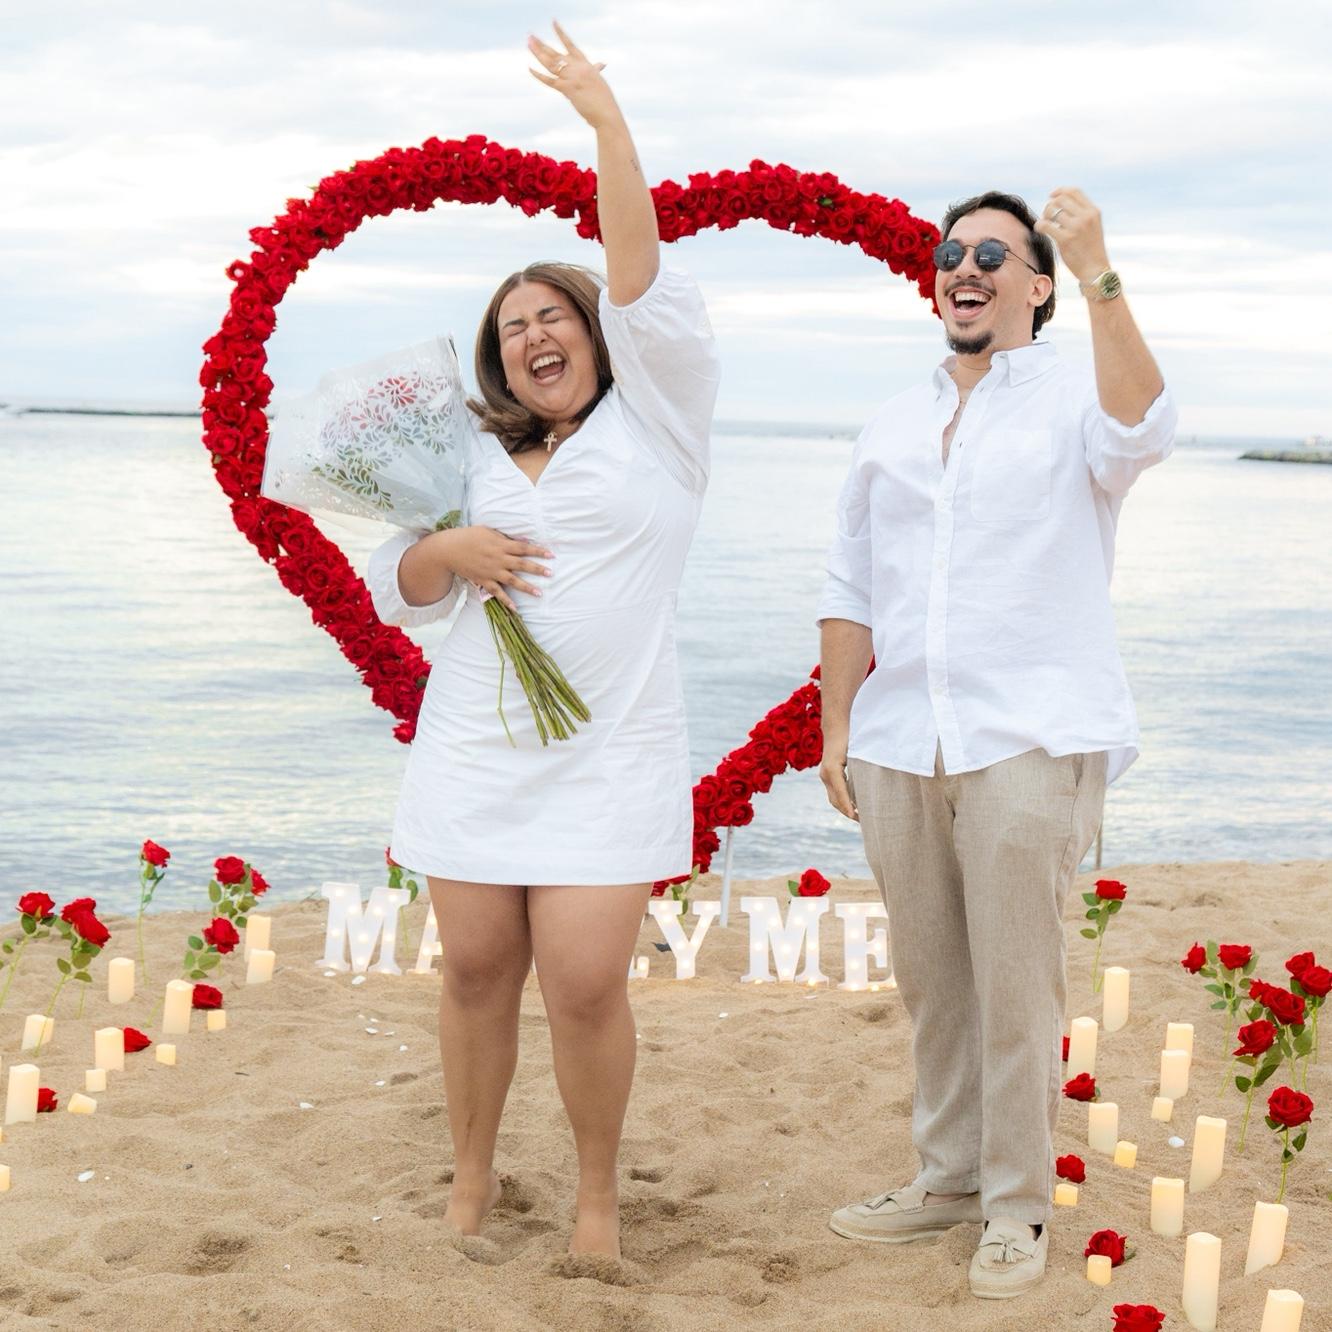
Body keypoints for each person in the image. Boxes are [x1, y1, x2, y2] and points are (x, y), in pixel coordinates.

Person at [365, 24, 719, 1260]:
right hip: (474, 741)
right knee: (472, 969)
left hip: (611, 752)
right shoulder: (465, 448)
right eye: (512, 325)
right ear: (497, 356)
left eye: (553, 313)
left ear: (599, 333)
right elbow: (399, 585)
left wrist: (606, 125)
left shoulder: (661, 421)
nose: (532, 334)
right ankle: (469, 1184)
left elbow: (638, 271)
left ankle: (596, 1201)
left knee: (580, 982)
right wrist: (449, 550)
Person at [816, 188, 1175, 1298]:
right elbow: (850, 582)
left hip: (1031, 730)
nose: (962, 268)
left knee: (1016, 985)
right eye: (949, 253)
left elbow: (1146, 426)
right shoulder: (892, 420)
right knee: (934, 979)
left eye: (990, 253)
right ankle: (949, 1179)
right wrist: (837, 730)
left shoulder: (1077, 394)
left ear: (1036, 285)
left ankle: (1017, 1205)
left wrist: (1101, 267)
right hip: (900, 740)